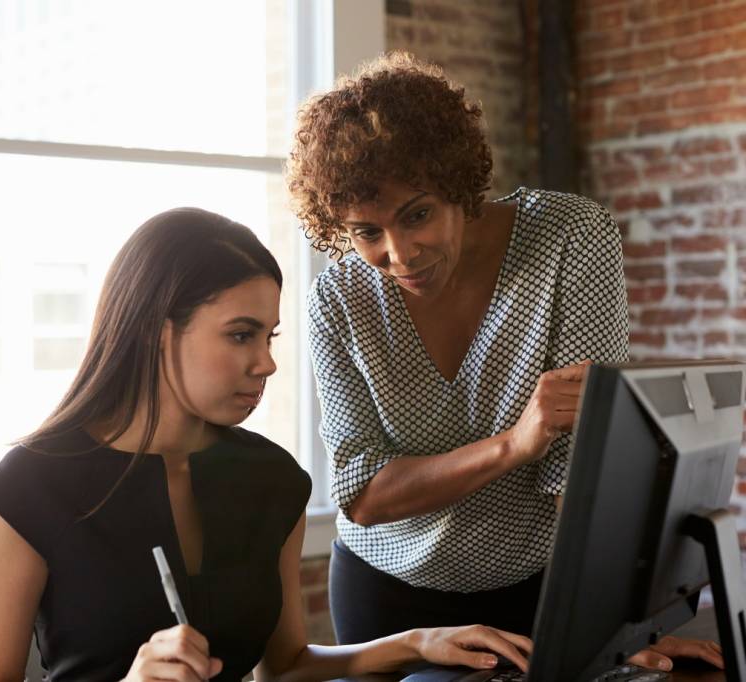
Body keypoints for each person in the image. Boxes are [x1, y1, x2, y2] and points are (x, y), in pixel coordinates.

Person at [0, 207, 535, 682]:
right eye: (240, 335)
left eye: (268, 337)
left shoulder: (272, 480)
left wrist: (418, 642)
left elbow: (284, 666)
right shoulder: (26, 493)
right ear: (157, 330)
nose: (265, 363)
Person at [285, 52, 723, 672]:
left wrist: (624, 626)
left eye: (418, 214)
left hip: (540, 588)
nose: (399, 254)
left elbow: (581, 465)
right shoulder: (339, 297)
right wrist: (516, 443)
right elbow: (360, 492)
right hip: (387, 594)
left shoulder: (570, 237)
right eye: (365, 232)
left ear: (460, 184)